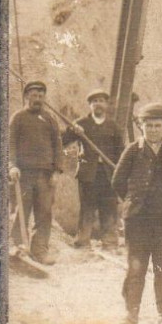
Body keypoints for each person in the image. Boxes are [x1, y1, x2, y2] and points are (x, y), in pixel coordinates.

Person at [111, 104, 162, 324]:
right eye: (148, 126)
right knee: (136, 268)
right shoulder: (133, 150)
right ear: (141, 127)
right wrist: (134, 200)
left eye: (157, 126)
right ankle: (131, 314)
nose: (153, 130)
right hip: (138, 221)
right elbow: (117, 181)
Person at [8, 80, 62, 265]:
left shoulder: (50, 119)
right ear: (26, 96)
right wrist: (12, 165)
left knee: (44, 213)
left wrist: (56, 171)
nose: (38, 99)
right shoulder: (18, 118)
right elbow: (11, 144)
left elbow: (58, 145)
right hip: (23, 174)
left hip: (45, 176)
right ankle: (18, 247)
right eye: (34, 95)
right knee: (21, 211)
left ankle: (40, 251)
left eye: (41, 96)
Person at [61, 89, 123, 250]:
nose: (98, 104)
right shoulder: (81, 124)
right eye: (94, 101)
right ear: (90, 105)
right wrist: (72, 130)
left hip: (108, 173)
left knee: (108, 206)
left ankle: (109, 242)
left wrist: (119, 171)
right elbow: (63, 141)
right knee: (87, 206)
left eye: (101, 101)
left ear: (106, 104)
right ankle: (82, 241)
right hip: (88, 173)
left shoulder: (113, 126)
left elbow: (120, 151)